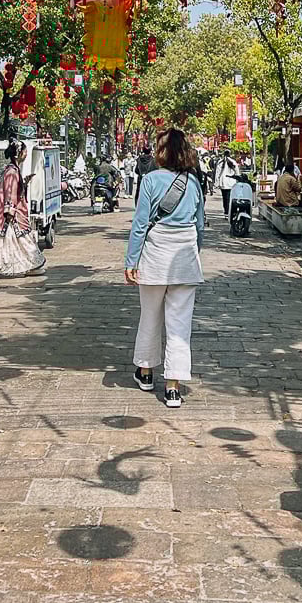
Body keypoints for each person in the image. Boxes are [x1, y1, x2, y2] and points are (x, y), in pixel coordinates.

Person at [124, 127, 206, 409]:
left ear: (161, 152)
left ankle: (146, 373)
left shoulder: (149, 181)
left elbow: (140, 225)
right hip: (184, 259)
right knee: (180, 325)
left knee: (149, 316)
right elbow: (200, 226)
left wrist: (131, 261)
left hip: (156, 257)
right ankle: (173, 386)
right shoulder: (194, 184)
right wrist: (193, 255)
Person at [0, 140, 48, 281]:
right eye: (25, 151)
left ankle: (30, 265)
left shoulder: (12, 170)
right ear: (19, 154)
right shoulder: (12, 171)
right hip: (10, 214)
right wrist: (10, 211)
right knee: (11, 240)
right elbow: (10, 192)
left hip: (12, 212)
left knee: (12, 240)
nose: (26, 154)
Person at [217, 150, 238, 216]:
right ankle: (231, 211)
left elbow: (217, 173)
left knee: (225, 198)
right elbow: (237, 172)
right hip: (232, 183)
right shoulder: (233, 162)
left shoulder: (220, 162)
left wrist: (217, 183)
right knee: (231, 197)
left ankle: (226, 211)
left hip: (223, 182)